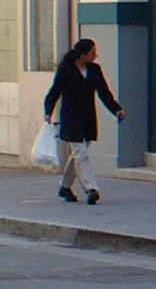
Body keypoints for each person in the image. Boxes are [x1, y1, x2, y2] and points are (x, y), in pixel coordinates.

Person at [43, 38, 125, 205]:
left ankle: (65, 187)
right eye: (92, 53)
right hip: (71, 117)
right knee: (81, 154)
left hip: (87, 118)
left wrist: (116, 109)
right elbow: (54, 91)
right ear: (83, 54)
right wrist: (48, 111)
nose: (95, 56)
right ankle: (91, 188)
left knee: (78, 155)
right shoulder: (66, 70)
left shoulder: (94, 70)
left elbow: (104, 92)